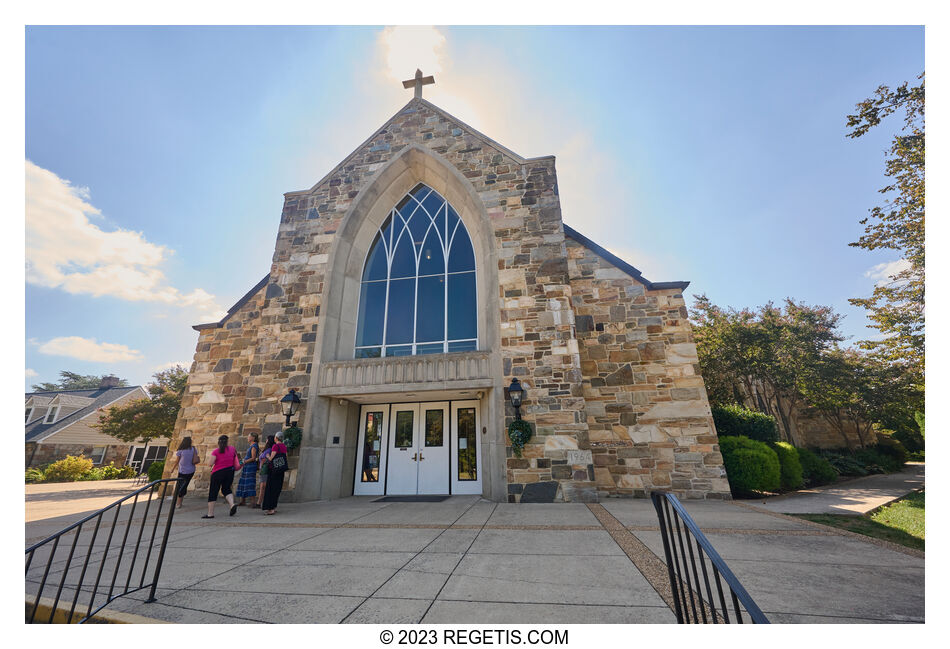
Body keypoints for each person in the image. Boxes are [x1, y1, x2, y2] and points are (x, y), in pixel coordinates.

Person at [204, 434, 240, 519]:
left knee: (213, 491)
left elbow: (210, 464)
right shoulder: (232, 449)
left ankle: (210, 513)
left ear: (218, 442)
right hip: (229, 471)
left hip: (218, 472)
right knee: (226, 489)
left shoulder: (216, 451)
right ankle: (232, 504)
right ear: (227, 442)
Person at [168, 436, 200, 509]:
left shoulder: (181, 450)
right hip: (191, 470)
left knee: (180, 486)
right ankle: (179, 502)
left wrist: (172, 469)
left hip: (182, 471)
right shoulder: (193, 449)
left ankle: (178, 503)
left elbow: (177, 461)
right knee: (185, 485)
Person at [261, 432, 288, 515]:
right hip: (281, 470)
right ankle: (274, 507)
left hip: (274, 471)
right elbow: (285, 456)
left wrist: (268, 455)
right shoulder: (284, 446)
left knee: (271, 489)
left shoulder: (275, 446)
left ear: (276, 438)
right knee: (277, 489)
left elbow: (271, 459)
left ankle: (271, 509)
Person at [235, 432, 259, 506]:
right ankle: (243, 501)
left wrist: (244, 461)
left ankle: (253, 502)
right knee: (244, 482)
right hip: (247, 466)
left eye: (249, 436)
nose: (248, 438)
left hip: (250, 467)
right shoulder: (251, 446)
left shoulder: (254, 446)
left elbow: (253, 458)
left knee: (250, 483)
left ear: (253, 438)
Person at [256, 435, 275, 509]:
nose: (266, 440)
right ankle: (259, 502)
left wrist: (261, 464)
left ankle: (259, 503)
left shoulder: (269, 450)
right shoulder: (268, 449)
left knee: (262, 487)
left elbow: (264, 460)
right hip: (263, 469)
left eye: (267, 439)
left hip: (264, 470)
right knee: (262, 487)